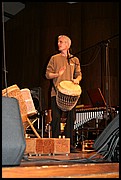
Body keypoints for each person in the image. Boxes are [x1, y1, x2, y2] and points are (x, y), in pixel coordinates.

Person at [45, 35, 82, 152]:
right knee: (56, 118)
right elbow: (47, 74)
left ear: (67, 45)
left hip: (71, 95)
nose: (58, 44)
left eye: (61, 42)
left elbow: (79, 74)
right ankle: (55, 144)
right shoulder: (54, 58)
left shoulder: (74, 60)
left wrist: (77, 80)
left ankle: (69, 144)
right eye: (58, 42)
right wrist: (57, 74)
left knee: (72, 118)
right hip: (56, 93)